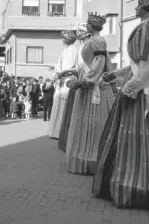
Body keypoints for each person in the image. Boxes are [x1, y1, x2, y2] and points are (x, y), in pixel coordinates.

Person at [93, 0, 149, 210]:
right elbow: (139, 63)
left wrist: (131, 88)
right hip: (145, 85)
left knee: (143, 137)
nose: (135, 8)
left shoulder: (148, 27)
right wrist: (117, 74)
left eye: (137, 5)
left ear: (145, 7)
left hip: (146, 90)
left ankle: (142, 184)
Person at [65, 12, 115, 175]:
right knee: (89, 123)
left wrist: (85, 81)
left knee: (93, 124)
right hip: (90, 85)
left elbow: (99, 64)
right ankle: (86, 155)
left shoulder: (97, 40)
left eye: (87, 24)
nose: (85, 26)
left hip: (94, 88)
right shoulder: (92, 40)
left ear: (93, 25)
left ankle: (90, 157)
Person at [58, 25, 91, 152]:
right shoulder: (81, 47)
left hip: (86, 81)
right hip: (78, 80)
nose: (79, 33)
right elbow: (79, 67)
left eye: (81, 31)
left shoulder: (89, 46)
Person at [48, 30, 78, 139]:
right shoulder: (66, 50)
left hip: (67, 81)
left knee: (64, 106)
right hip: (62, 81)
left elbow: (70, 67)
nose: (62, 39)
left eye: (63, 37)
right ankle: (56, 131)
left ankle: (61, 132)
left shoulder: (73, 50)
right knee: (59, 105)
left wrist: (60, 73)